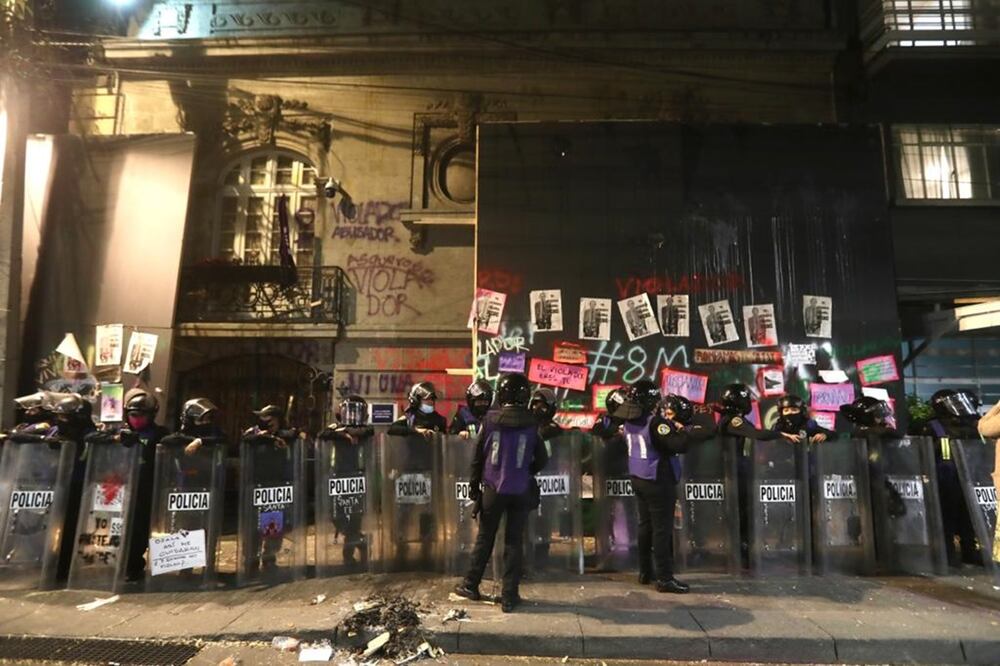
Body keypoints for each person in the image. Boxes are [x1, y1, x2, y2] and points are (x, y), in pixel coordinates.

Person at [454, 373, 549, 613]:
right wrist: (526, 470)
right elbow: (542, 459)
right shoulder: (532, 423)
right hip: (520, 488)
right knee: (514, 542)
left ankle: (471, 585)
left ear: (501, 394)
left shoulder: (490, 420)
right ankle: (509, 596)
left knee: (485, 538)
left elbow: (477, 458)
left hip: (493, 490)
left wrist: (475, 488)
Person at [619, 380, 706, 592]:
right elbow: (679, 445)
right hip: (658, 480)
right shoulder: (656, 423)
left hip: (638, 477)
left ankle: (645, 572)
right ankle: (665, 578)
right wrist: (685, 431)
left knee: (645, 526)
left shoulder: (630, 421)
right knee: (662, 530)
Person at [84, 388, 169, 582]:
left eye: (142, 415)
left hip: (146, 489)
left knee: (139, 530)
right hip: (118, 489)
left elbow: (171, 445)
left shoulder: (159, 433)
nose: (137, 419)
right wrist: (115, 438)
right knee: (115, 527)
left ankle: (133, 566)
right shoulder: (120, 431)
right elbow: (90, 437)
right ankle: (112, 562)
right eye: (133, 415)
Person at [716, 383, 786, 566]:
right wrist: (781, 435)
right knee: (739, 513)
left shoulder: (730, 418)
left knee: (744, 512)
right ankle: (740, 555)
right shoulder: (732, 420)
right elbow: (755, 434)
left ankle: (745, 552)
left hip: (738, 471)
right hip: (733, 473)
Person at [240, 404, 301, 576]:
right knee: (253, 527)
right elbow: (246, 439)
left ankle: (269, 558)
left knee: (273, 526)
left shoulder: (285, 434)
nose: (266, 423)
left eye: (270, 420)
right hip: (257, 485)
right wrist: (264, 437)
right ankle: (251, 560)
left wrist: (276, 437)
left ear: (278, 420)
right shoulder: (255, 433)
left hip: (276, 486)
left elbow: (295, 434)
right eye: (263, 419)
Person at [923, 389, 981, 566]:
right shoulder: (933, 426)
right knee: (946, 519)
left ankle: (969, 552)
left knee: (969, 517)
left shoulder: (970, 425)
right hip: (944, 479)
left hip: (968, 476)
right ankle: (947, 554)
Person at [318, 395, 375, 567]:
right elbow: (323, 434)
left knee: (355, 518)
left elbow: (365, 432)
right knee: (336, 516)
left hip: (358, 479)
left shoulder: (365, 429)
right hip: (338, 479)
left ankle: (348, 556)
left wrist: (344, 433)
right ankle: (360, 541)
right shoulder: (336, 430)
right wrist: (343, 434)